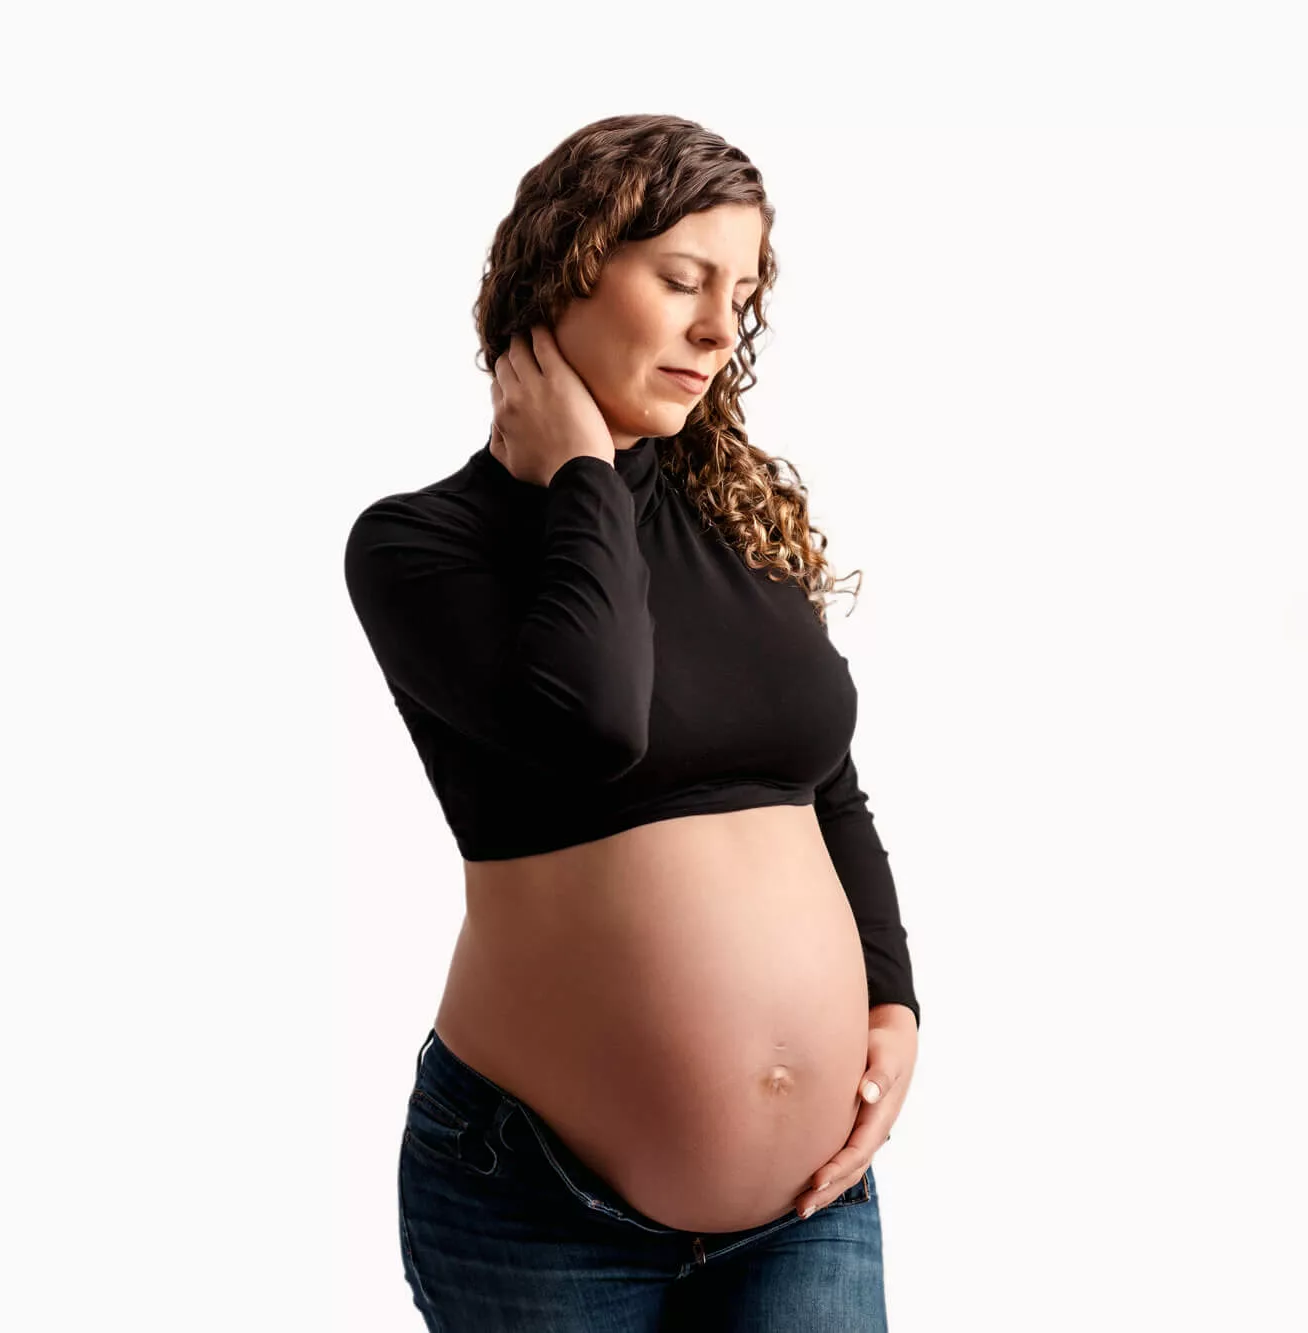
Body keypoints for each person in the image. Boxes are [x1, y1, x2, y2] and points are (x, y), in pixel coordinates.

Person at [343, 114, 922, 1330]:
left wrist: (889, 1002)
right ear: (564, 270)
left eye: (742, 291)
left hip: (807, 1205)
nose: (719, 328)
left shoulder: (734, 526)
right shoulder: (416, 546)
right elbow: (590, 720)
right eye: (680, 280)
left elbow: (828, 789)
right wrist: (582, 476)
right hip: (538, 1205)